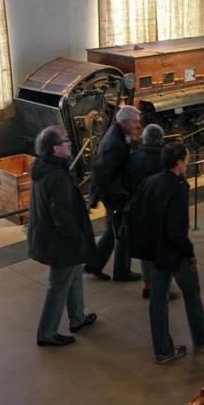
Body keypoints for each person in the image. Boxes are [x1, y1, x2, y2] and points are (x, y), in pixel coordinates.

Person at [28, 126, 97, 347]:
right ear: (56, 148)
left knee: (75, 274)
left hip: (51, 237)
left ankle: (77, 318)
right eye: (66, 141)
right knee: (58, 286)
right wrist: (76, 236)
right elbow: (61, 214)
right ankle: (46, 333)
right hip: (59, 241)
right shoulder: (56, 175)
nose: (70, 143)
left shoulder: (44, 167)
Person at [141, 142, 204, 363]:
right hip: (175, 254)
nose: (188, 162)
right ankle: (202, 337)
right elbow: (177, 231)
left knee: (157, 300)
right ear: (179, 163)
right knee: (192, 295)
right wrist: (190, 253)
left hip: (156, 252)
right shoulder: (178, 188)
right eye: (187, 159)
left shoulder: (151, 182)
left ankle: (162, 350)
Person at [85, 105, 141, 282]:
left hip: (112, 194)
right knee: (123, 233)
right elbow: (102, 173)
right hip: (115, 196)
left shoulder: (117, 134)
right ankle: (122, 271)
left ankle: (94, 265)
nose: (137, 125)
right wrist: (121, 194)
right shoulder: (114, 143)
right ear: (124, 122)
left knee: (111, 232)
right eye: (135, 122)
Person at [128, 124, 165, 300]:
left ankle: (148, 284)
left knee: (145, 250)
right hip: (158, 211)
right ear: (160, 140)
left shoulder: (134, 157)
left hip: (139, 209)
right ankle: (160, 286)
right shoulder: (165, 159)